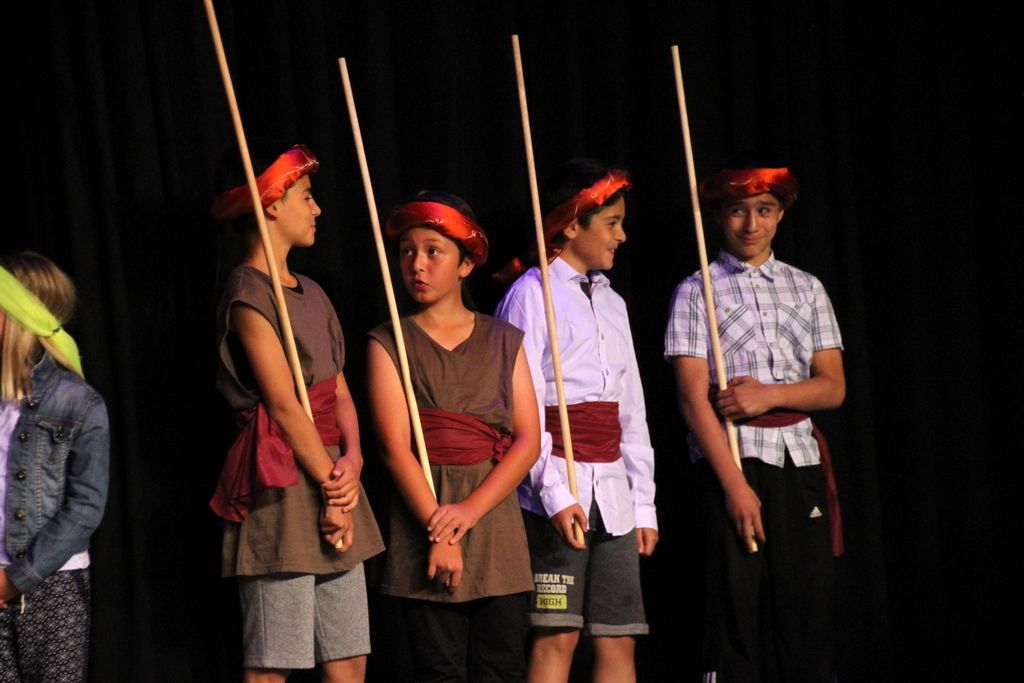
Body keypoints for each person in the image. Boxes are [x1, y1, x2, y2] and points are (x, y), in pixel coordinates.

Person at [665, 158, 846, 681]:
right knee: (733, 612)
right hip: (732, 463)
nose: (751, 224)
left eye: (764, 210)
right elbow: (690, 398)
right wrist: (734, 485)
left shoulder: (806, 287)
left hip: (798, 460)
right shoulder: (696, 289)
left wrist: (769, 396)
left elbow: (833, 387)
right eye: (738, 211)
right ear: (718, 216)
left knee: (805, 610)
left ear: (781, 213)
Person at [210, 144, 383, 683]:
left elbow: (341, 392)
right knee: (274, 662)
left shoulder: (315, 293)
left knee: (349, 658)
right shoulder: (248, 292)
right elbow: (285, 407)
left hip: (334, 473)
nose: (317, 209)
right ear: (271, 204)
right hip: (283, 484)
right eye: (306, 197)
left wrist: (353, 462)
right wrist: (334, 487)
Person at [494, 159, 658, 683]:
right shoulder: (531, 294)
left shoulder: (614, 303)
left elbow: (631, 409)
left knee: (619, 636)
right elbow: (519, 408)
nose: (621, 235)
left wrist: (643, 503)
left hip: (614, 493)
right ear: (570, 225)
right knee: (557, 636)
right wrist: (554, 493)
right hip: (557, 491)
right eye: (611, 223)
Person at [366, 193, 540, 682]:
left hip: (494, 527)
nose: (416, 264)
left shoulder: (503, 339)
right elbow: (394, 448)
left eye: (432, 251)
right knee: (438, 670)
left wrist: (467, 513)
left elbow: (528, 440)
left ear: (466, 264)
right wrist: (441, 532)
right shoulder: (389, 341)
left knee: (502, 668)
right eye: (406, 251)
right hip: (425, 522)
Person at [0, 251, 109, 681]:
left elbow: (85, 507)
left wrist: (17, 578)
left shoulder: (77, 402)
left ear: (18, 317)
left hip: (52, 585)